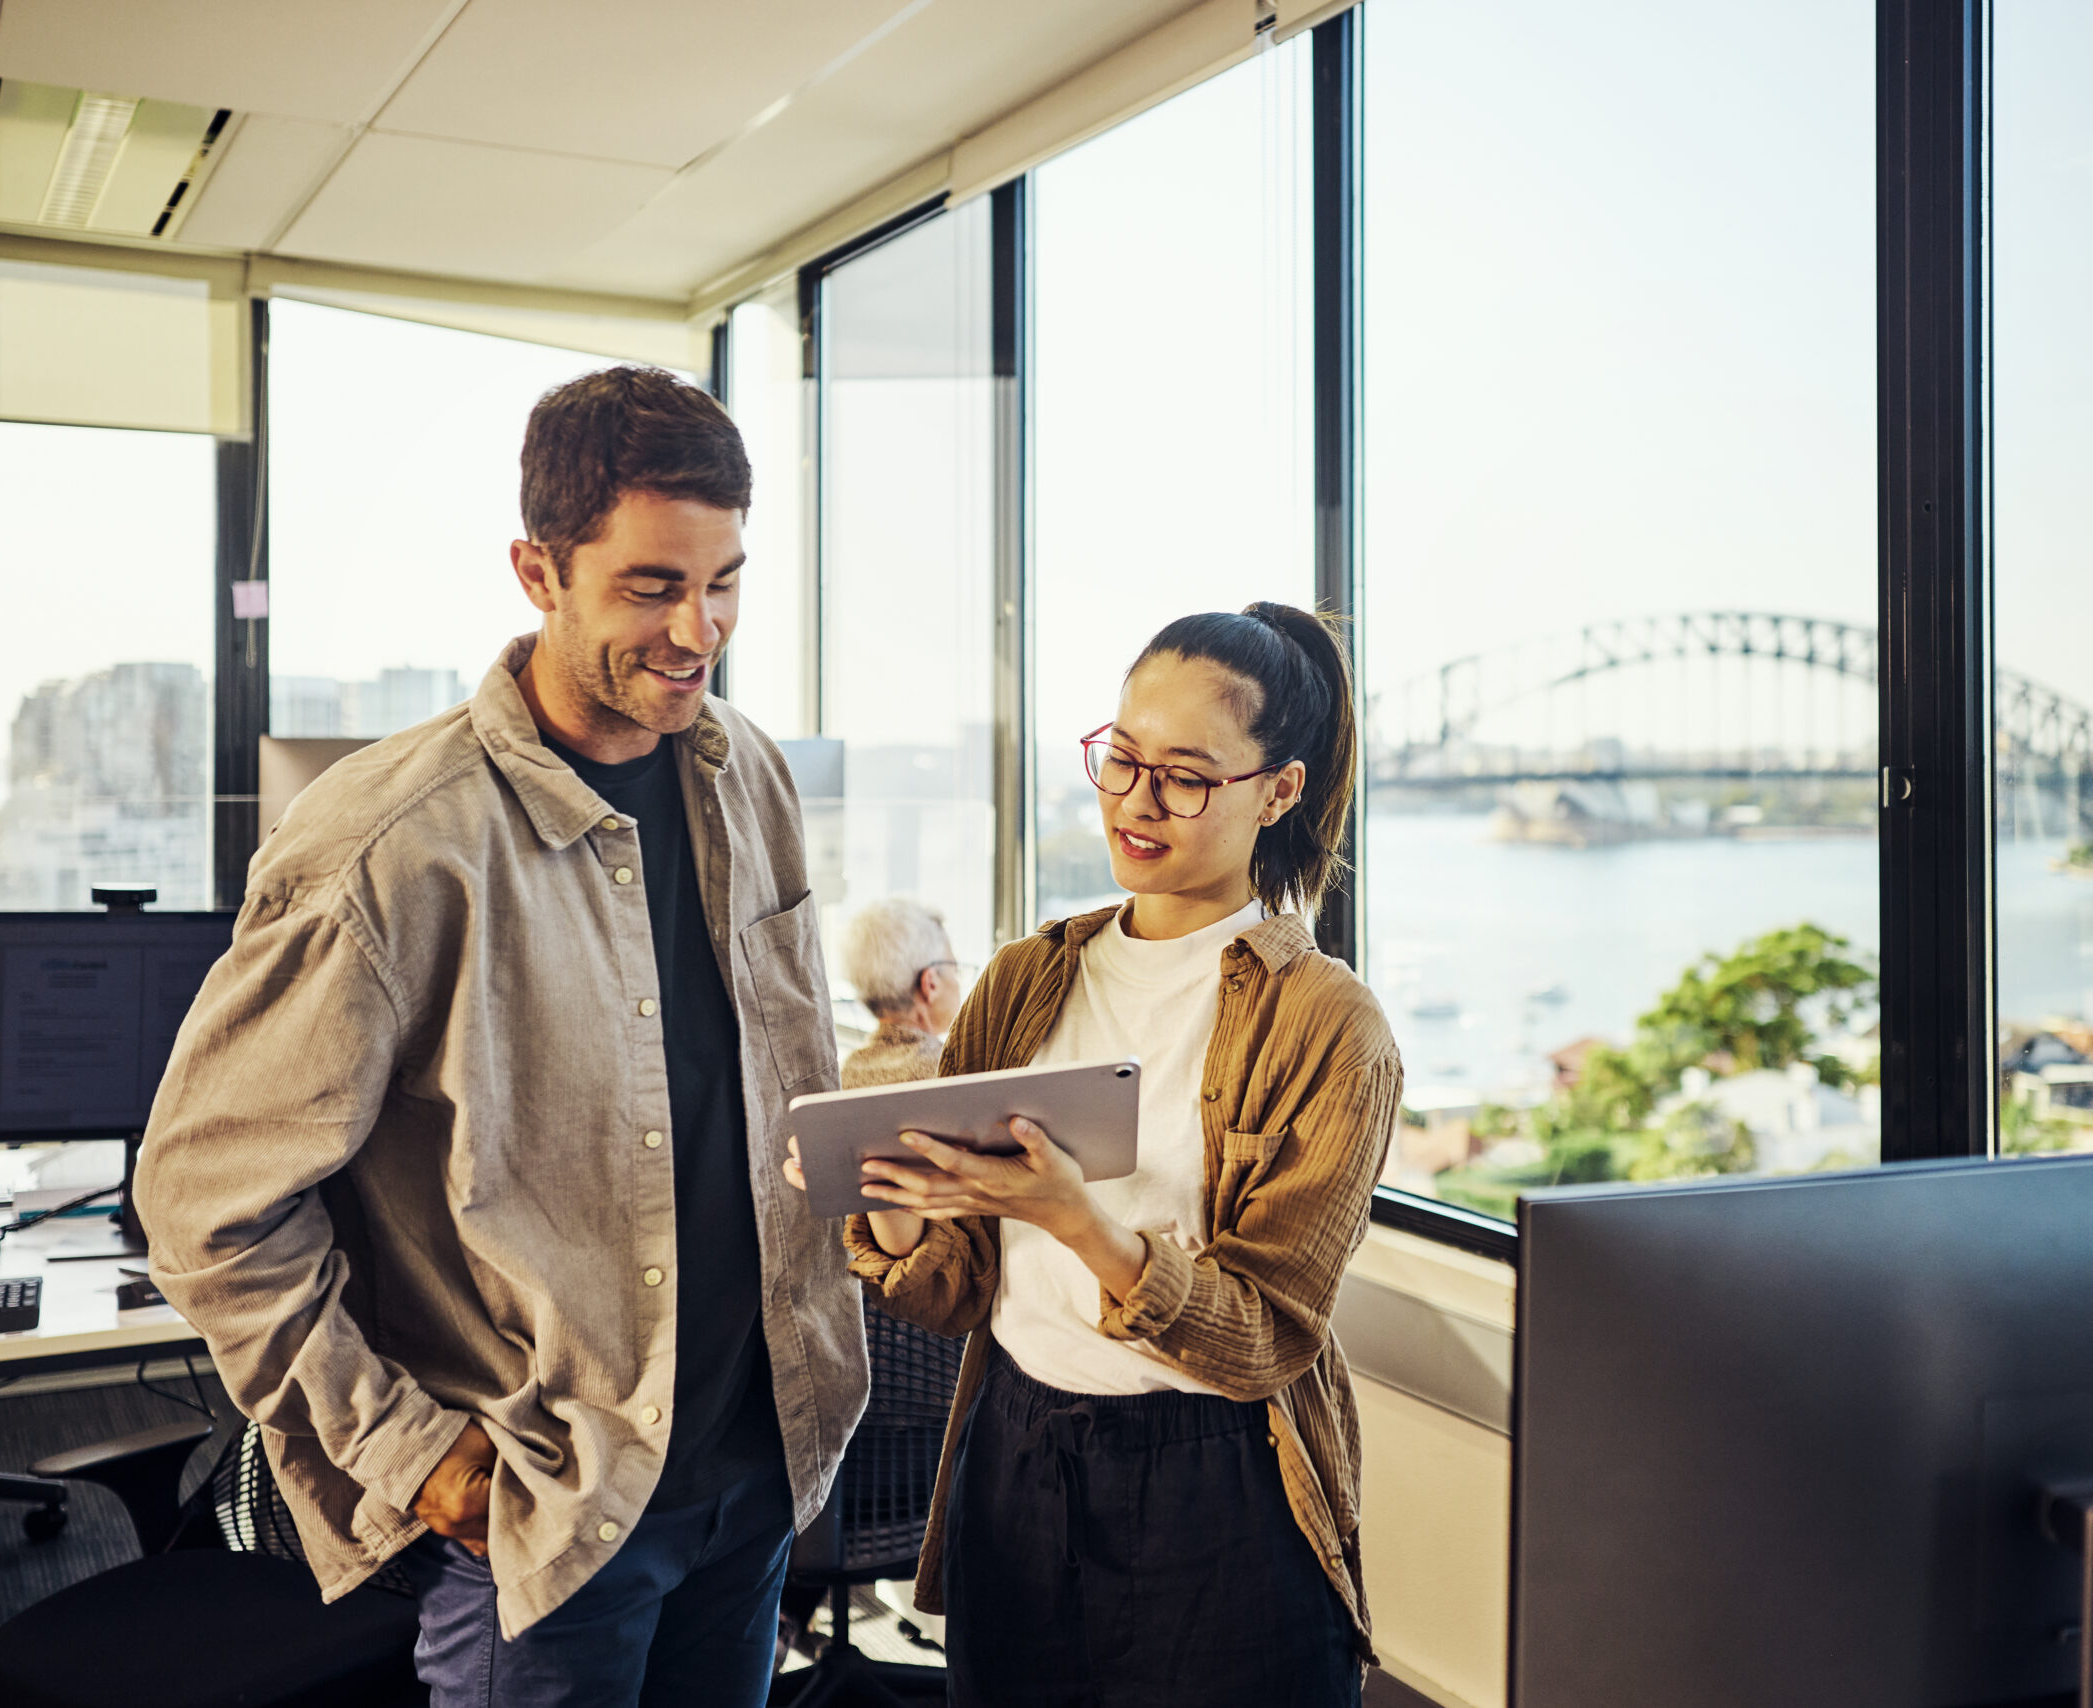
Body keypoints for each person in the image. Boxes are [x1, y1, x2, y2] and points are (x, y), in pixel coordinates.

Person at [136, 366, 868, 1708]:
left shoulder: (747, 772)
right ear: (540, 569)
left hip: (754, 1469)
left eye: (726, 582)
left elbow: (766, 1075)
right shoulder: (388, 843)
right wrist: (411, 1454)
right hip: (551, 1505)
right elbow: (203, 1205)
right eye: (652, 586)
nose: (698, 631)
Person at [801, 601, 1400, 1707]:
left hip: (1222, 1483)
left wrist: (1074, 1216)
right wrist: (885, 1195)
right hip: (1015, 1452)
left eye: (1184, 775)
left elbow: (1265, 1336)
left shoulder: (1327, 1024)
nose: (1135, 802)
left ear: (1279, 790)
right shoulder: (1028, 978)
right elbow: (952, 1291)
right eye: (1120, 759)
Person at [837, 897, 964, 1089]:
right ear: (930, 984)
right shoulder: (950, 1075)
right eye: (955, 968)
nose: (958, 980)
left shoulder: (846, 1073)